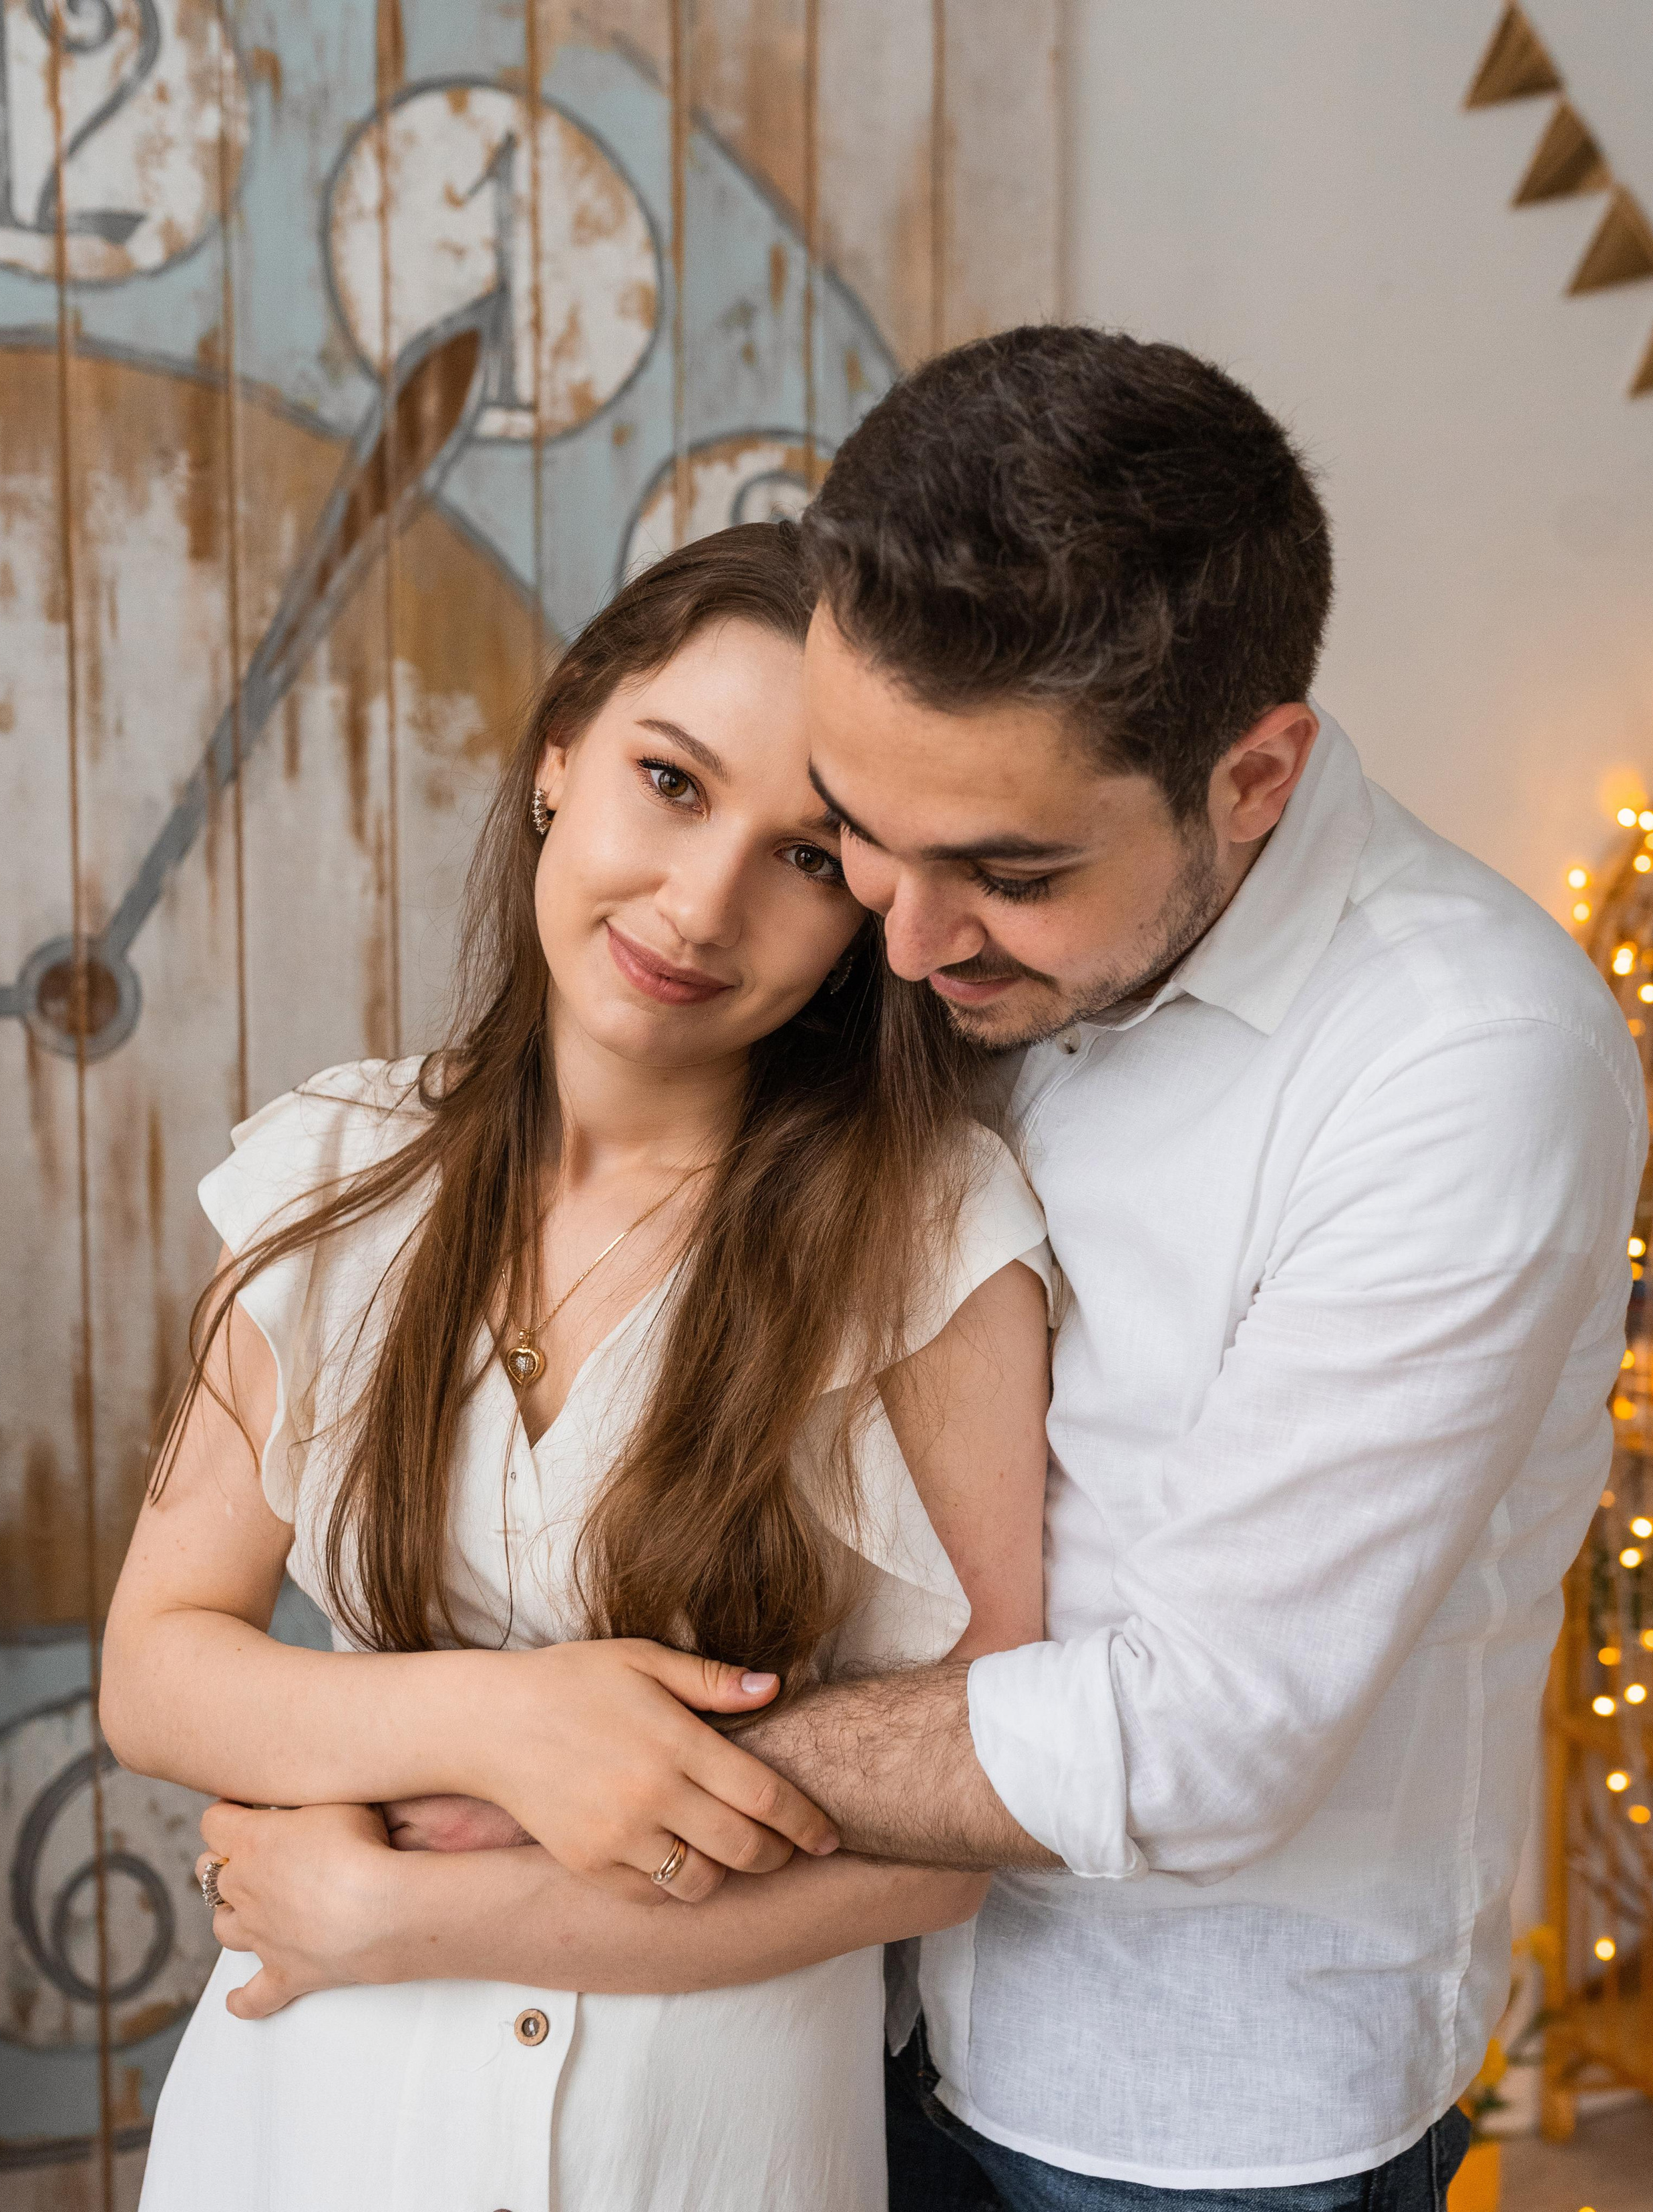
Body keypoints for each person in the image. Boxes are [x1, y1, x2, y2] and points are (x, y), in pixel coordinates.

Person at [187, 328, 1646, 2212]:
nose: (907, 930)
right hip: (820, 2028)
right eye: (860, 835)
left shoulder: (1464, 1066)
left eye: (1008, 870)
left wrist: (561, 1777)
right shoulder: (915, 950)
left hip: (1182, 2114)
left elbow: (1199, 1736)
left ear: (1257, 775)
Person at [100, 522, 1056, 2212]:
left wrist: (407, 1907)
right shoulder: (335, 1169)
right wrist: (504, 1719)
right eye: (670, 783)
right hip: (305, 2124)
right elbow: (160, 1670)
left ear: (870, 915)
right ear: (559, 758)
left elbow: (974, 1828)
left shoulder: (926, 1231)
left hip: (697, 2151)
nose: (699, 906)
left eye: (810, 859)